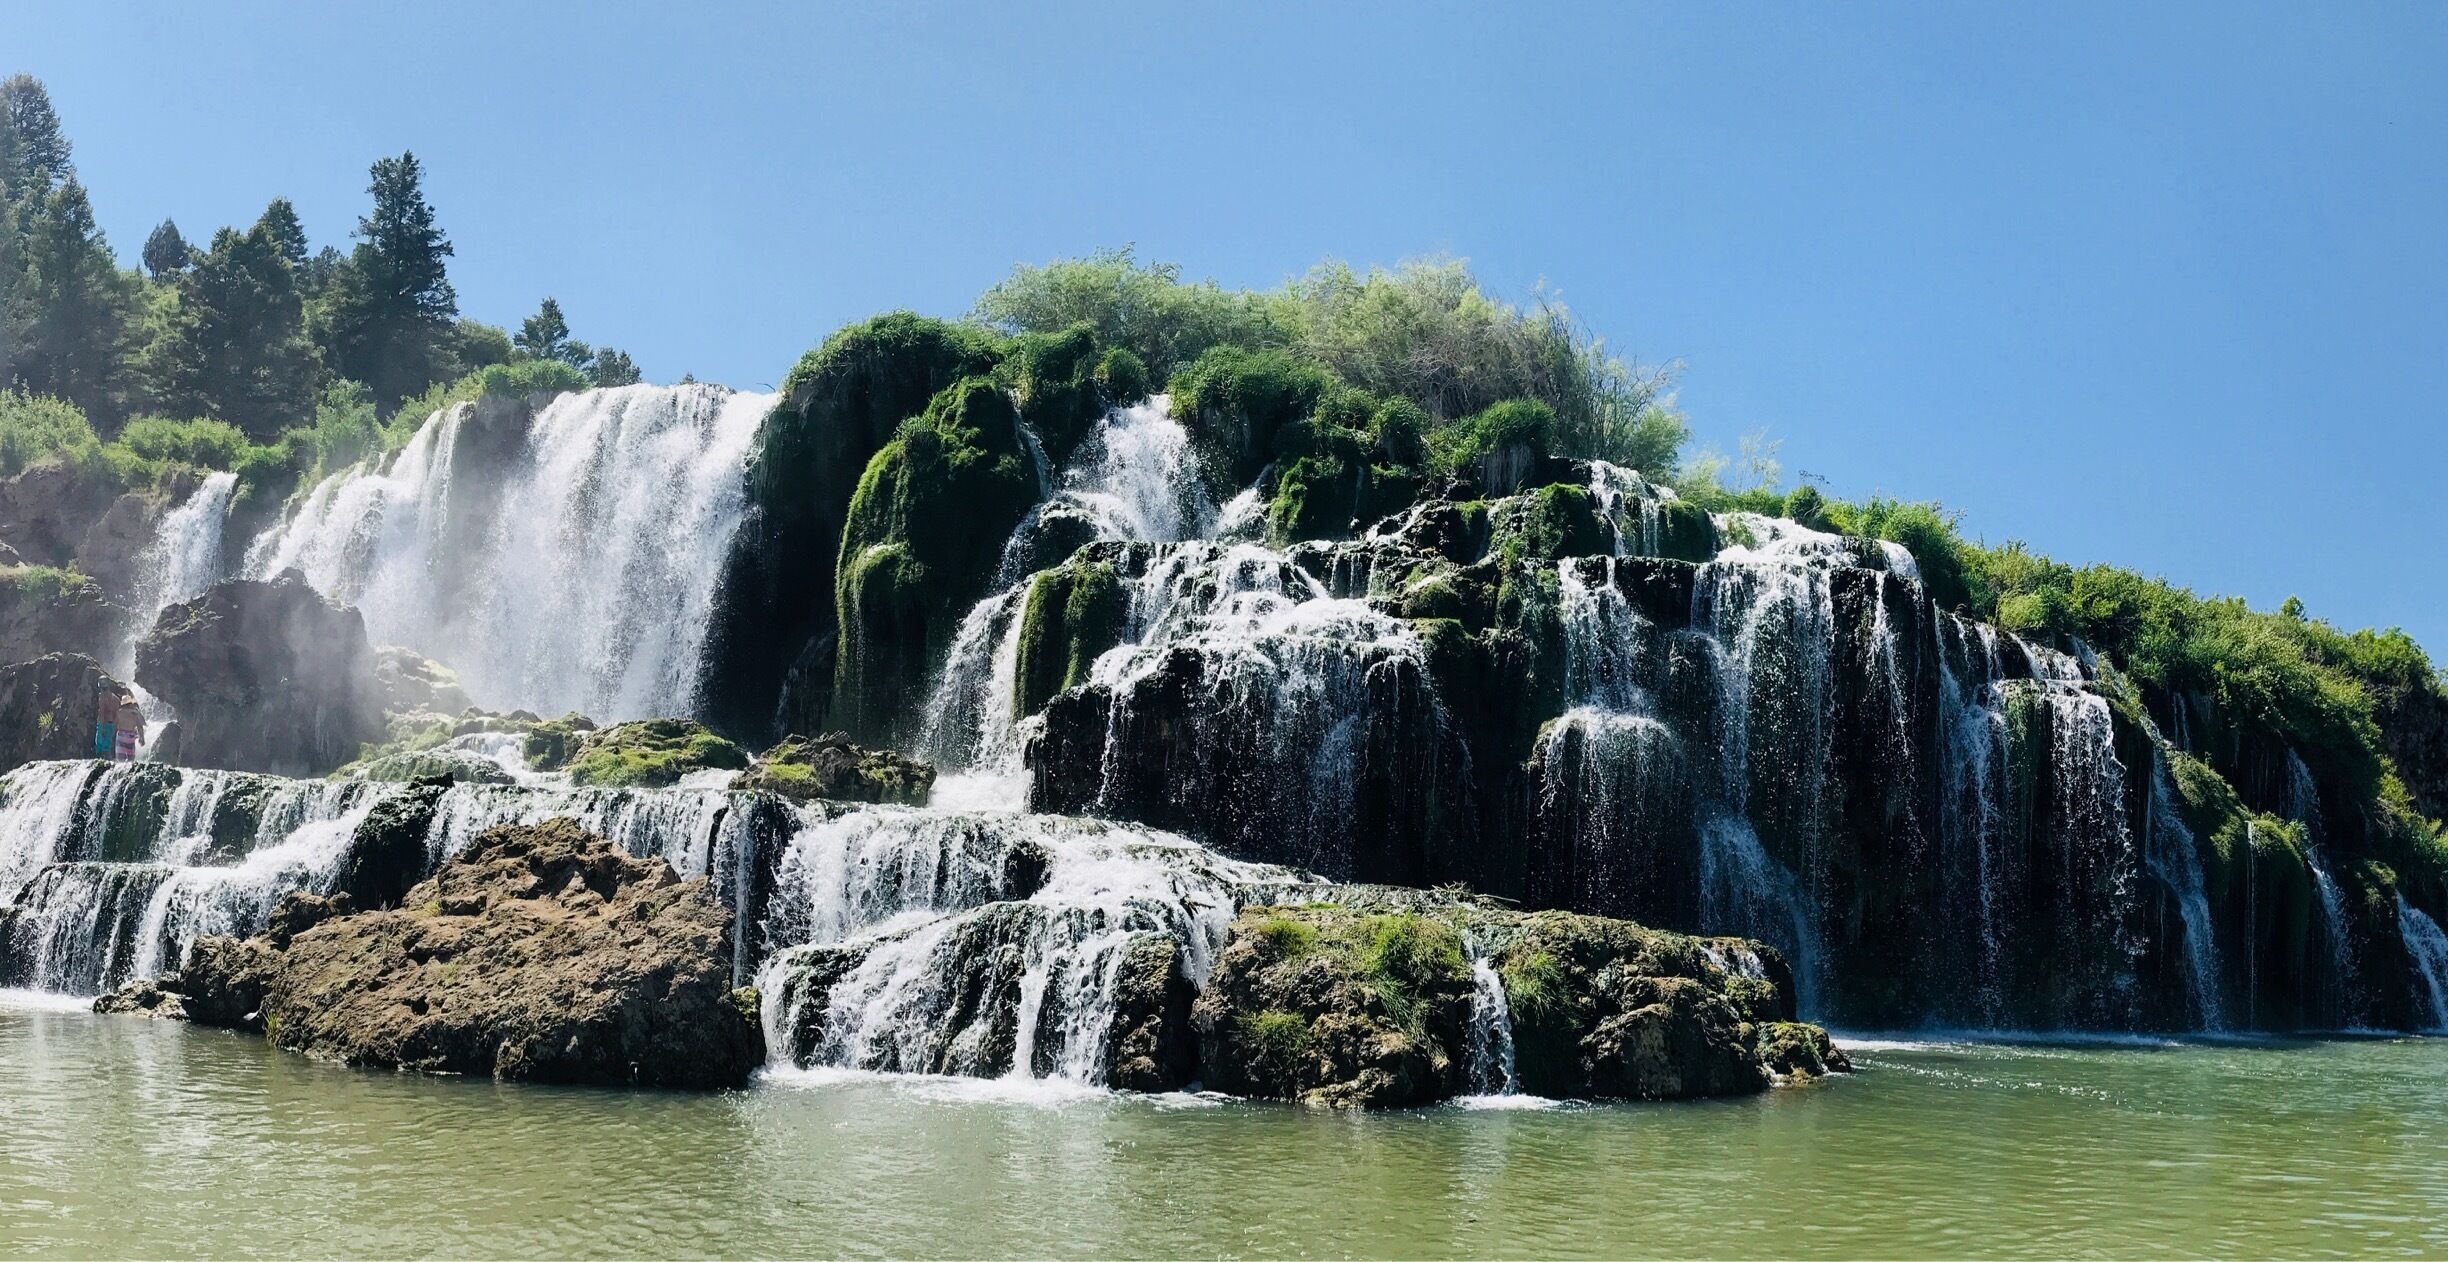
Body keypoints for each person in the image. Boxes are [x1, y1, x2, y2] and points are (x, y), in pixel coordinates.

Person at [115, 694, 144, 762]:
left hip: (121, 735)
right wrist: (142, 738)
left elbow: (115, 724)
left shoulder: (119, 712)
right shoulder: (135, 713)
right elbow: (140, 727)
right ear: (130, 703)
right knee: (131, 759)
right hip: (130, 736)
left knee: (120, 759)